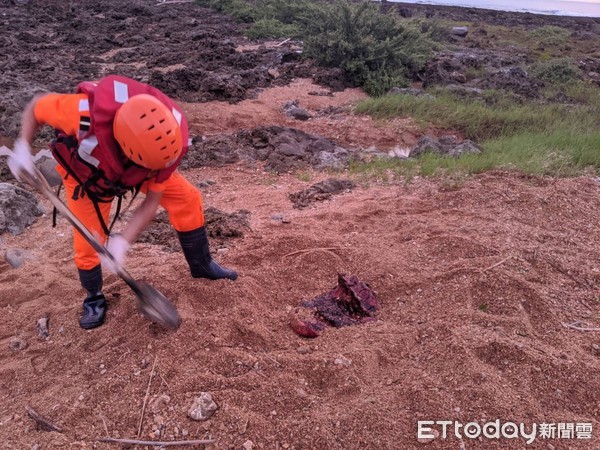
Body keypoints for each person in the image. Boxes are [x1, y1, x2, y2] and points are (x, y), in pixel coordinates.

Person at [9, 75, 237, 330]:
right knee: (88, 241)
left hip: (140, 168)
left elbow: (151, 201)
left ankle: (202, 265)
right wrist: (22, 147)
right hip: (87, 175)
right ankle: (93, 296)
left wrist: (123, 241)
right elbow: (37, 107)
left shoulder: (167, 138)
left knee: (188, 198)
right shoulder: (80, 113)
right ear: (124, 147)